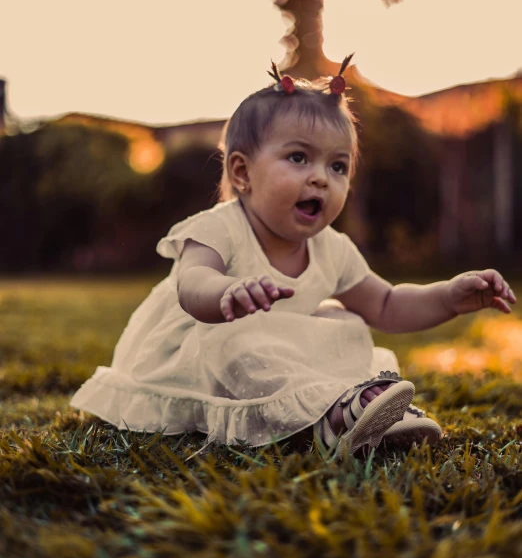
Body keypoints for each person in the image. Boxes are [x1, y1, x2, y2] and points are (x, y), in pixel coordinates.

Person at [69, 55, 516, 460]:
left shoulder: (332, 248)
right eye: (299, 158)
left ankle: (355, 407)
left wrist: (448, 297)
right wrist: (228, 292)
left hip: (273, 352)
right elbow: (192, 285)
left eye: (338, 166)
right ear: (242, 172)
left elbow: (387, 304)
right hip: (199, 353)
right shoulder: (219, 228)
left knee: (349, 324)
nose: (321, 178)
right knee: (239, 337)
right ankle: (333, 417)